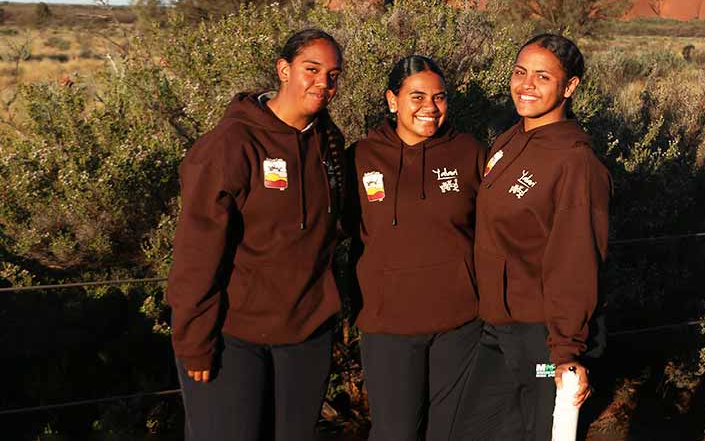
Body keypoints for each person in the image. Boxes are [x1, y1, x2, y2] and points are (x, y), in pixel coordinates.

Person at [166, 28, 346, 441]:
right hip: (234, 337)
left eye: (333, 75)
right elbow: (197, 251)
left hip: (306, 334)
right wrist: (195, 339)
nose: (323, 83)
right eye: (311, 69)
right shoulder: (231, 144)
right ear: (283, 70)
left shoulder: (328, 141)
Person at [453, 33, 610, 441]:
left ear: (570, 87)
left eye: (543, 76)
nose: (527, 85)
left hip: (541, 337)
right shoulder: (509, 140)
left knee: (539, 432)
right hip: (497, 326)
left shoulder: (576, 162)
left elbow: (576, 261)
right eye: (521, 72)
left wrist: (566, 352)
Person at [345, 56, 485, 441]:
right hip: (388, 324)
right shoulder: (360, 157)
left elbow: (494, 228)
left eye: (439, 98)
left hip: (460, 323)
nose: (430, 108)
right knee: (396, 431)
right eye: (417, 96)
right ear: (392, 100)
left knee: (451, 430)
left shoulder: (469, 152)